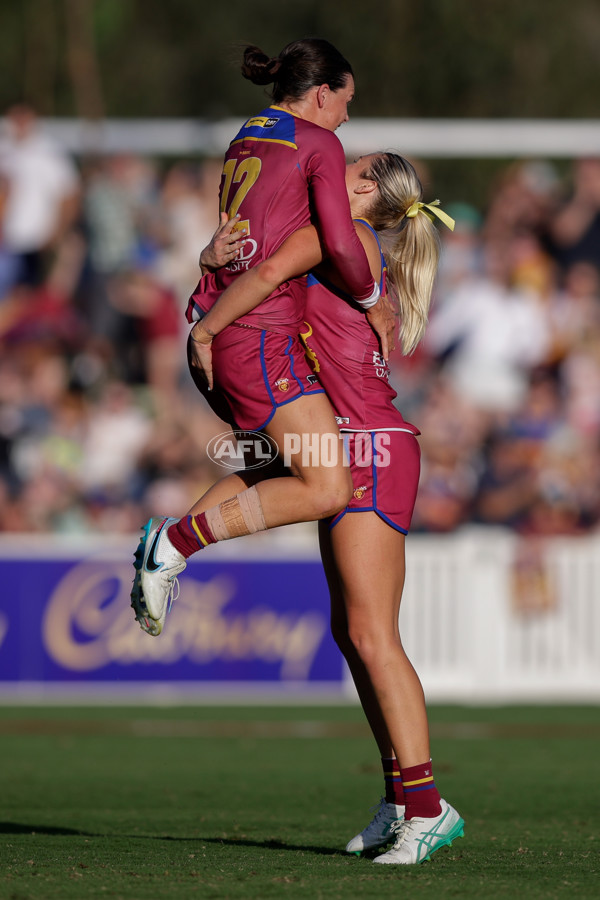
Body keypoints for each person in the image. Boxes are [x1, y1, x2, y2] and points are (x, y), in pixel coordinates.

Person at [175, 151, 464, 866]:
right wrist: (208, 255)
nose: (332, 165)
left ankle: (429, 806)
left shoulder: (346, 239)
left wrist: (207, 322)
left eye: (352, 164)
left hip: (370, 445)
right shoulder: (345, 239)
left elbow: (266, 275)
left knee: (373, 636)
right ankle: (402, 800)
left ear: (366, 189)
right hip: (351, 441)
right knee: (352, 633)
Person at [130, 39, 395, 636]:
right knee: (329, 485)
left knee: (283, 469)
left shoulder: (247, 134)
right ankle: (171, 544)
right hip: (254, 330)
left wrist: (205, 306)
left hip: (222, 316)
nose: (347, 117)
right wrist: (376, 300)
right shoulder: (319, 141)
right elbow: (340, 243)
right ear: (322, 93)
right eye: (346, 101)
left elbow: (239, 237)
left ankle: (169, 546)